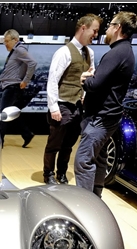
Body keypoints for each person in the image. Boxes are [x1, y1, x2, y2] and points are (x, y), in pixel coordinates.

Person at [74, 11, 137, 198]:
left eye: (110, 25)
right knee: (100, 158)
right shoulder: (126, 51)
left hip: (100, 118)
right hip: (110, 117)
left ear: (118, 28)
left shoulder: (116, 53)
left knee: (83, 161)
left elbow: (94, 84)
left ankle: (85, 204)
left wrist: (84, 79)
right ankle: (96, 198)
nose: (106, 30)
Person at [42, 14, 100, 185]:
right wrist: (53, 107)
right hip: (62, 104)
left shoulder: (90, 53)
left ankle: (61, 173)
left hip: (78, 106)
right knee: (54, 143)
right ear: (83, 28)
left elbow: (90, 77)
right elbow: (53, 80)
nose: (96, 35)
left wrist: (85, 96)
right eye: (94, 31)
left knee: (69, 144)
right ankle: (48, 174)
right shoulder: (64, 52)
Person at [0, 29, 37, 148]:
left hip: (12, 87)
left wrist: (25, 81)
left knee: (3, 114)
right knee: (11, 113)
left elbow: (33, 63)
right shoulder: (15, 51)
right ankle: (27, 134)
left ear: (15, 40)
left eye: (7, 41)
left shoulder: (19, 49)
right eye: (4, 41)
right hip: (11, 86)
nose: (5, 44)